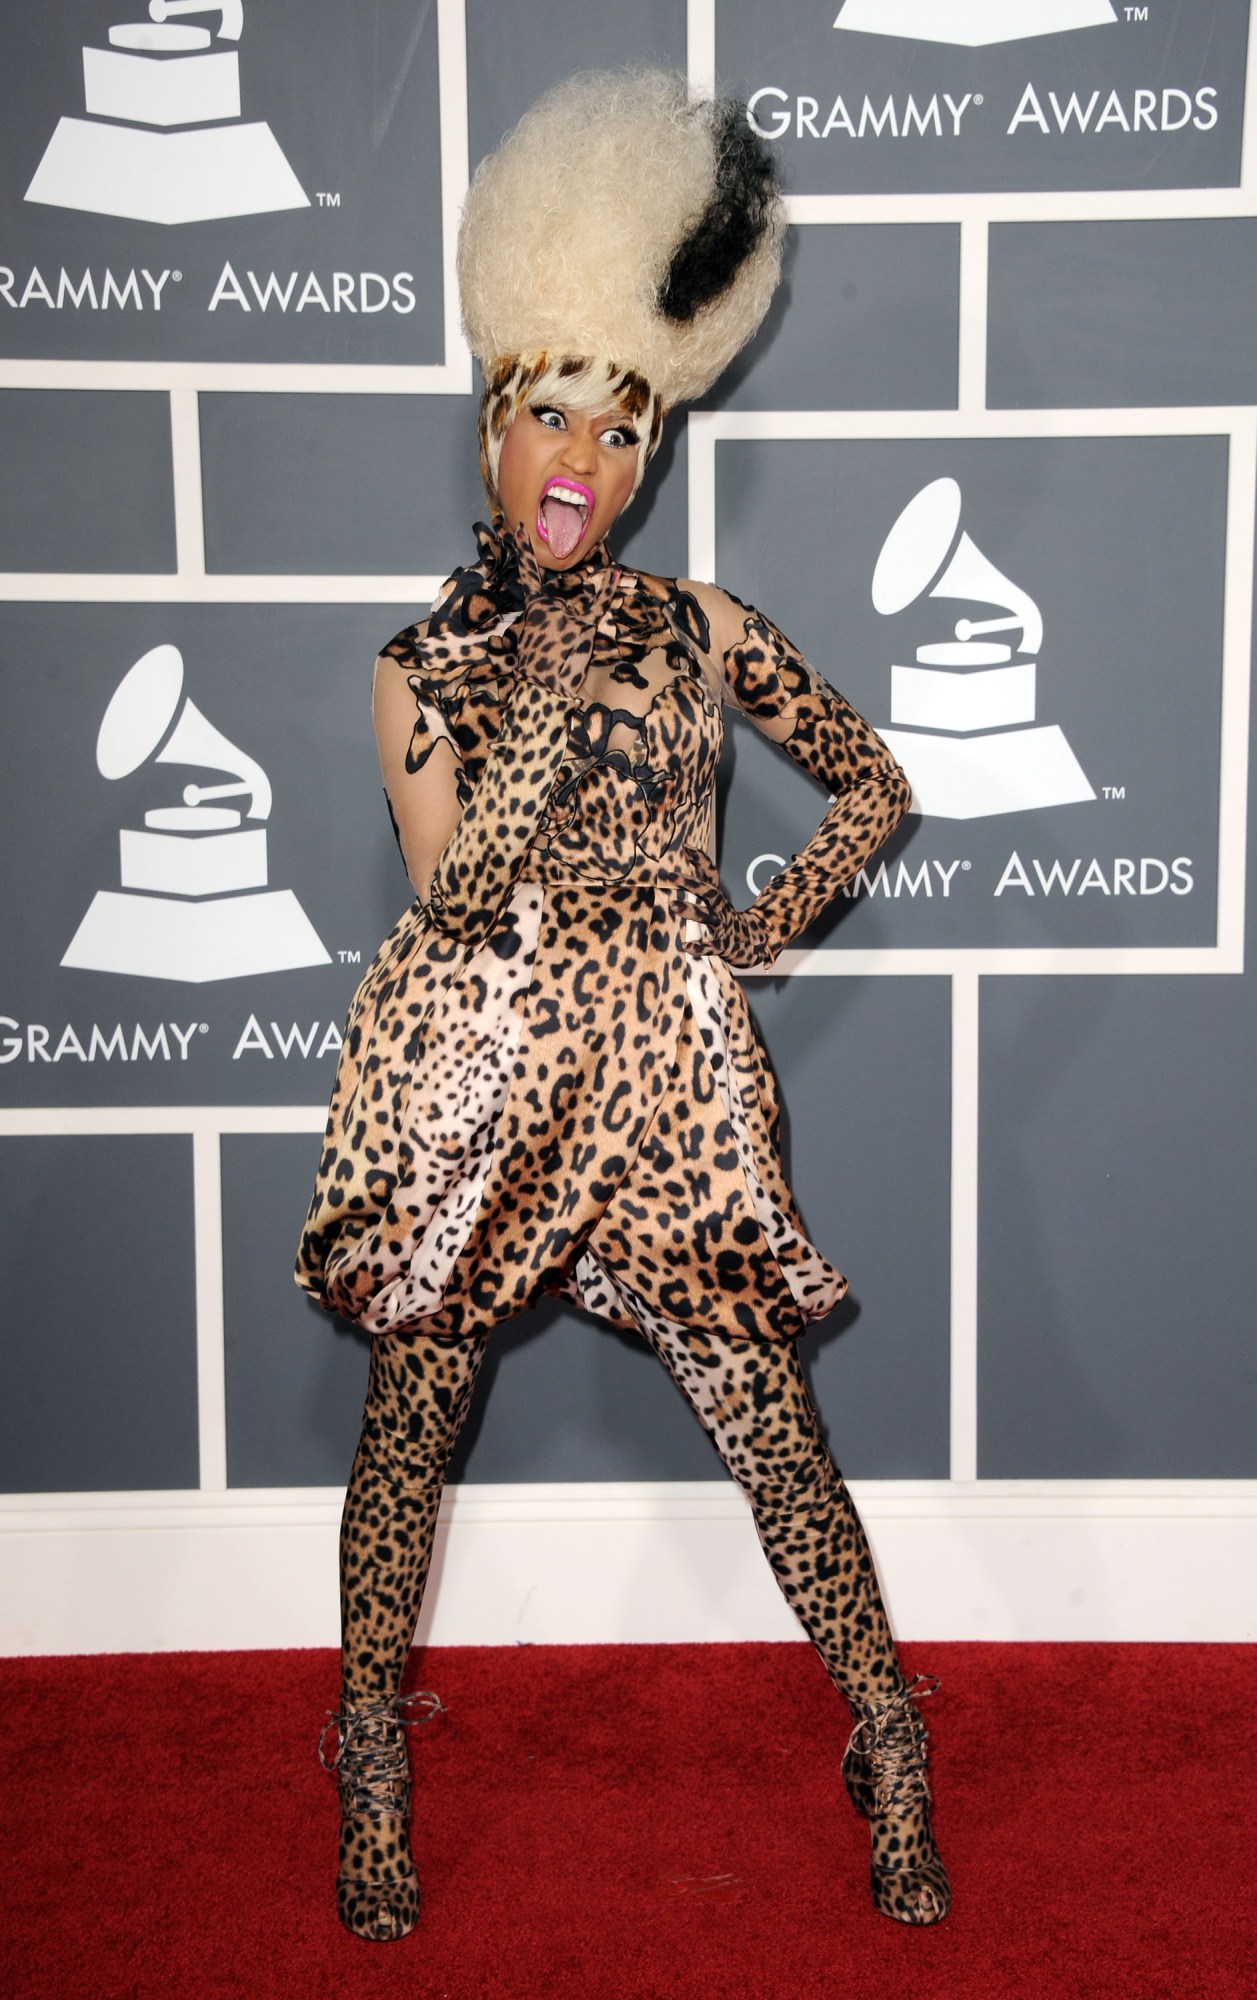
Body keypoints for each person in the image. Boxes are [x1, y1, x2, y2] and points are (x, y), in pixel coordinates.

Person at [296, 70, 949, 1943]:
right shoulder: (417, 667)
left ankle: (888, 1734)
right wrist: (543, 686)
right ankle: (367, 1751)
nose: (585, 454)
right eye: (551, 412)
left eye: (622, 424)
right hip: (475, 1072)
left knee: (768, 1419)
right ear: (492, 428)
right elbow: (452, 890)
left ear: (650, 453)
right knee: (410, 1413)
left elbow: (874, 784)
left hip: (669, 1077)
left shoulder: (707, 626)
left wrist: (761, 923)